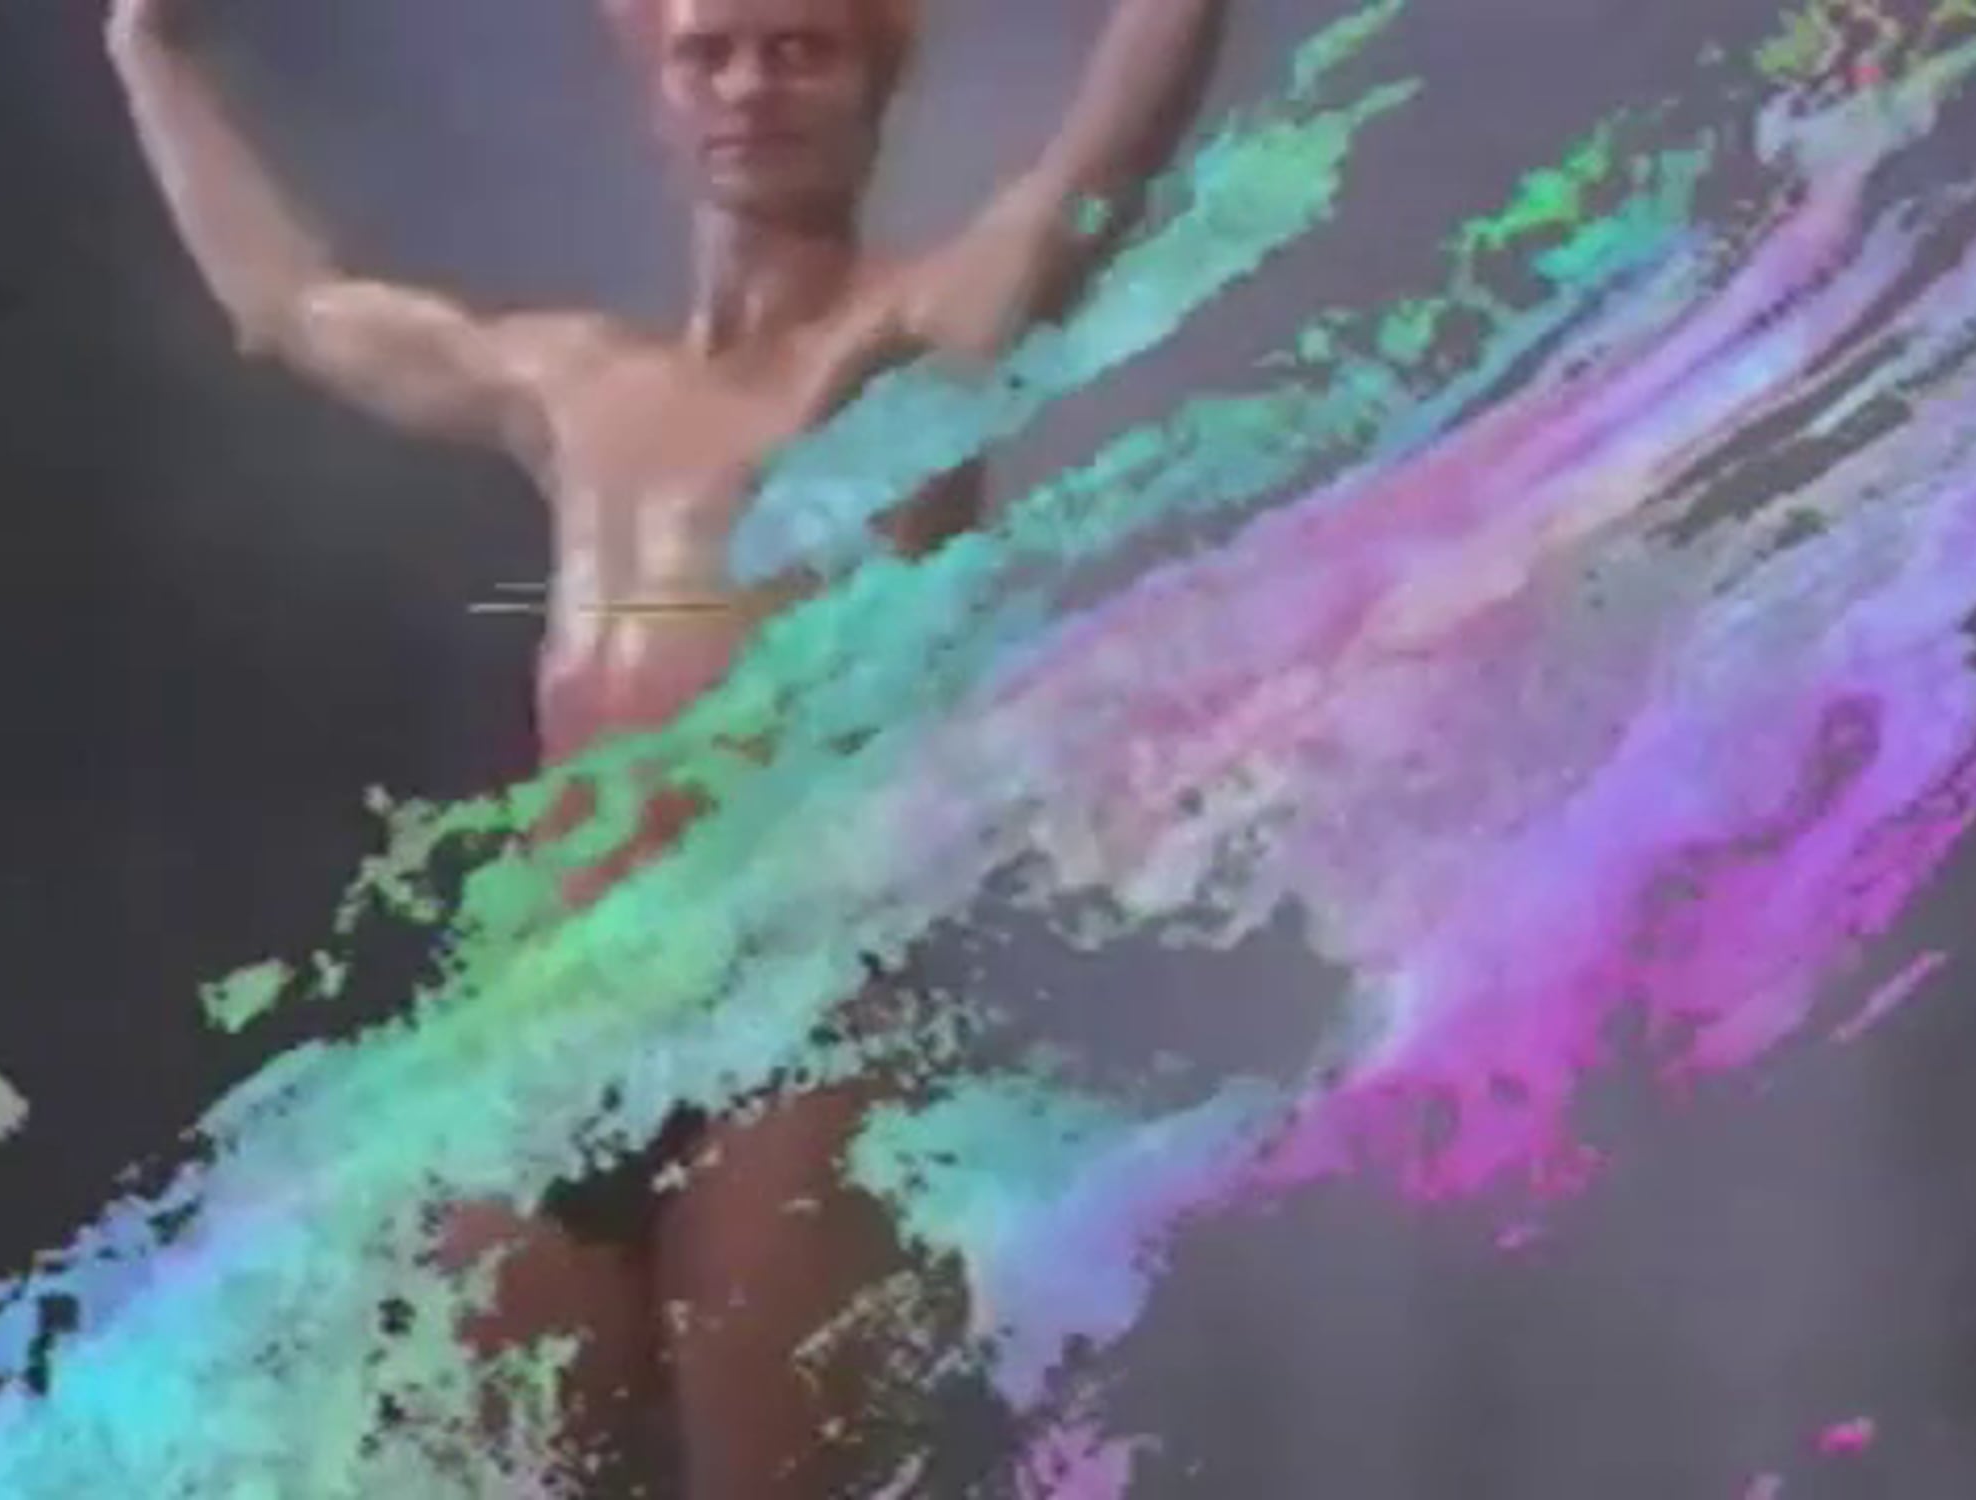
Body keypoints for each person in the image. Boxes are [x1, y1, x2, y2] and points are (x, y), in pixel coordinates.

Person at [105, 0, 1229, 1493]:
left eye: (801, 47)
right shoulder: (573, 385)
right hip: (558, 1038)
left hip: (788, 1037)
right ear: (661, 89)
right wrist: (150, 47)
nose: (752, 84)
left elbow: (1099, 165)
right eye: (713, 50)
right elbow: (289, 305)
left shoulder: (917, 346)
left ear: (876, 82)